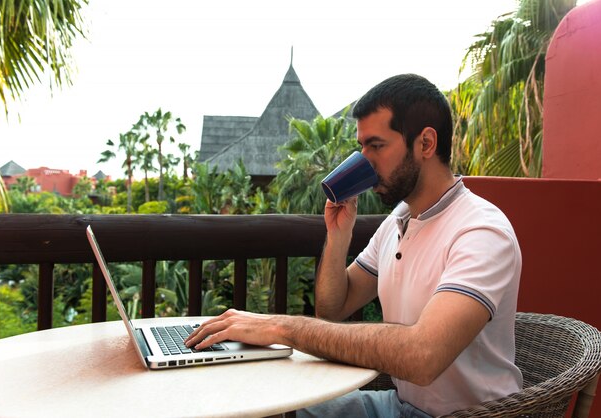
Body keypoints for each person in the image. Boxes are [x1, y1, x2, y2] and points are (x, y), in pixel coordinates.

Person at [185, 74, 523, 417]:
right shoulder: (398, 221)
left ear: (425, 144)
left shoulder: (481, 231)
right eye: (361, 147)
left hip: (469, 414)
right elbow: (333, 309)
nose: (364, 161)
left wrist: (282, 327)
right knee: (273, 411)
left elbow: (423, 356)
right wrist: (338, 236)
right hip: (403, 407)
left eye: (376, 146)